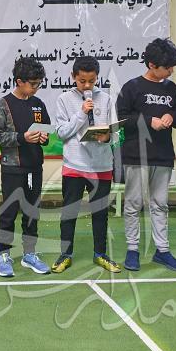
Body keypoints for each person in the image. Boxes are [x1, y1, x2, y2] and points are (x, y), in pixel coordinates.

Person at [116, 38, 176, 272]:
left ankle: (162, 251)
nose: (171, 71)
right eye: (167, 67)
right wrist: (148, 121)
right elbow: (122, 118)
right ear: (152, 65)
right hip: (137, 156)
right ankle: (132, 249)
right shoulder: (132, 87)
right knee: (133, 204)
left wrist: (172, 117)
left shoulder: (171, 88)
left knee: (160, 204)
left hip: (163, 155)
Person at [52, 56, 121, 274]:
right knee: (69, 212)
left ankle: (100, 253)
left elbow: (116, 133)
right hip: (74, 165)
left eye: (92, 81)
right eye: (82, 81)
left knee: (100, 213)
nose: (87, 85)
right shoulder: (64, 99)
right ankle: (65, 254)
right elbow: (62, 132)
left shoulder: (106, 99)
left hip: (101, 165)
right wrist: (82, 113)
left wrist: (107, 137)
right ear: (73, 77)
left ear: (97, 78)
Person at [0, 57, 52, 277]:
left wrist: (44, 137)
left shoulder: (38, 104)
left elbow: (47, 131)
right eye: (33, 83)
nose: (36, 88)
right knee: (8, 212)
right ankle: (3, 255)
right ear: (19, 81)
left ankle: (30, 254)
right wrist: (22, 137)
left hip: (35, 167)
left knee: (32, 211)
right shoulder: (4, 104)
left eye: (39, 84)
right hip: (12, 168)